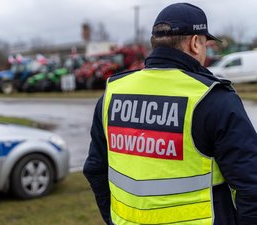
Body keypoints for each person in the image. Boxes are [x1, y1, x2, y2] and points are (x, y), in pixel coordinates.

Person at [83, 2, 257, 225]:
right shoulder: (212, 97)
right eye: (205, 44)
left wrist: (112, 218)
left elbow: (95, 169)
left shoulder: (113, 93)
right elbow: (251, 187)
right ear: (195, 43)